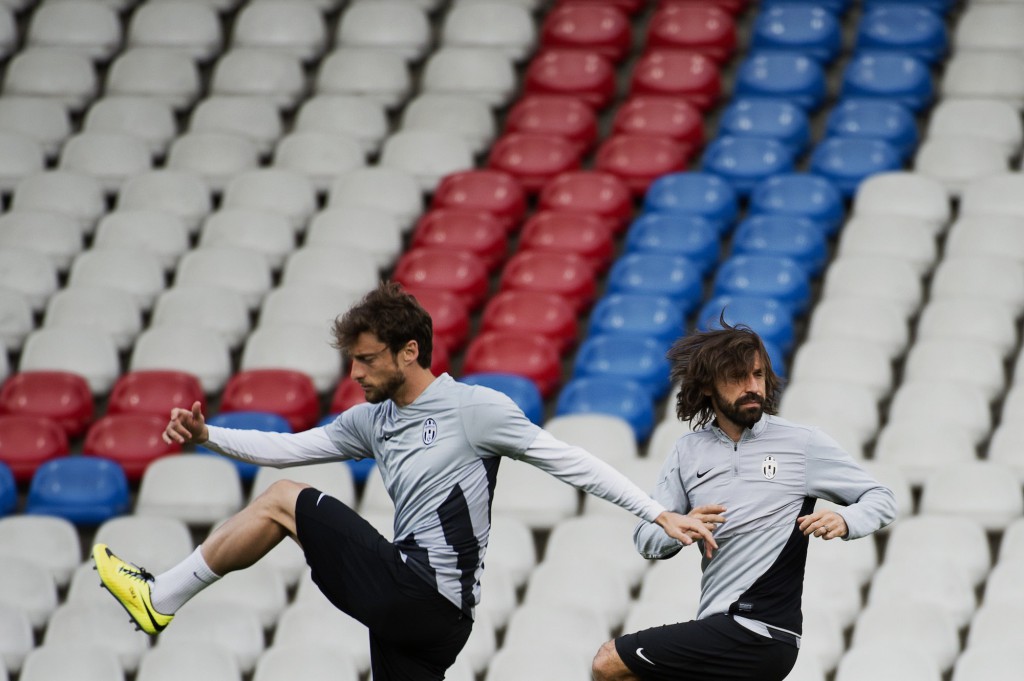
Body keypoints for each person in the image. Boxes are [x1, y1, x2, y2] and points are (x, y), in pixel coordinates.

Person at [92, 281, 717, 681]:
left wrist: (655, 511)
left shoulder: (476, 409)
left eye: (367, 359)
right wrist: (210, 438)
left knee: (285, 504)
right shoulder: (372, 421)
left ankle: (160, 597)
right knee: (285, 488)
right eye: (352, 361)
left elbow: (568, 458)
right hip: (423, 620)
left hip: (428, 595)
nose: (356, 373)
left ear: (410, 352)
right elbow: (289, 447)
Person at [591, 322, 898, 681]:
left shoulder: (802, 444)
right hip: (719, 627)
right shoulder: (686, 452)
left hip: (761, 628)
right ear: (707, 385)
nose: (753, 387)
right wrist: (679, 527)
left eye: (758, 374)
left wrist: (847, 521)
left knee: (609, 662)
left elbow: (881, 498)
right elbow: (646, 538)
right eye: (737, 376)